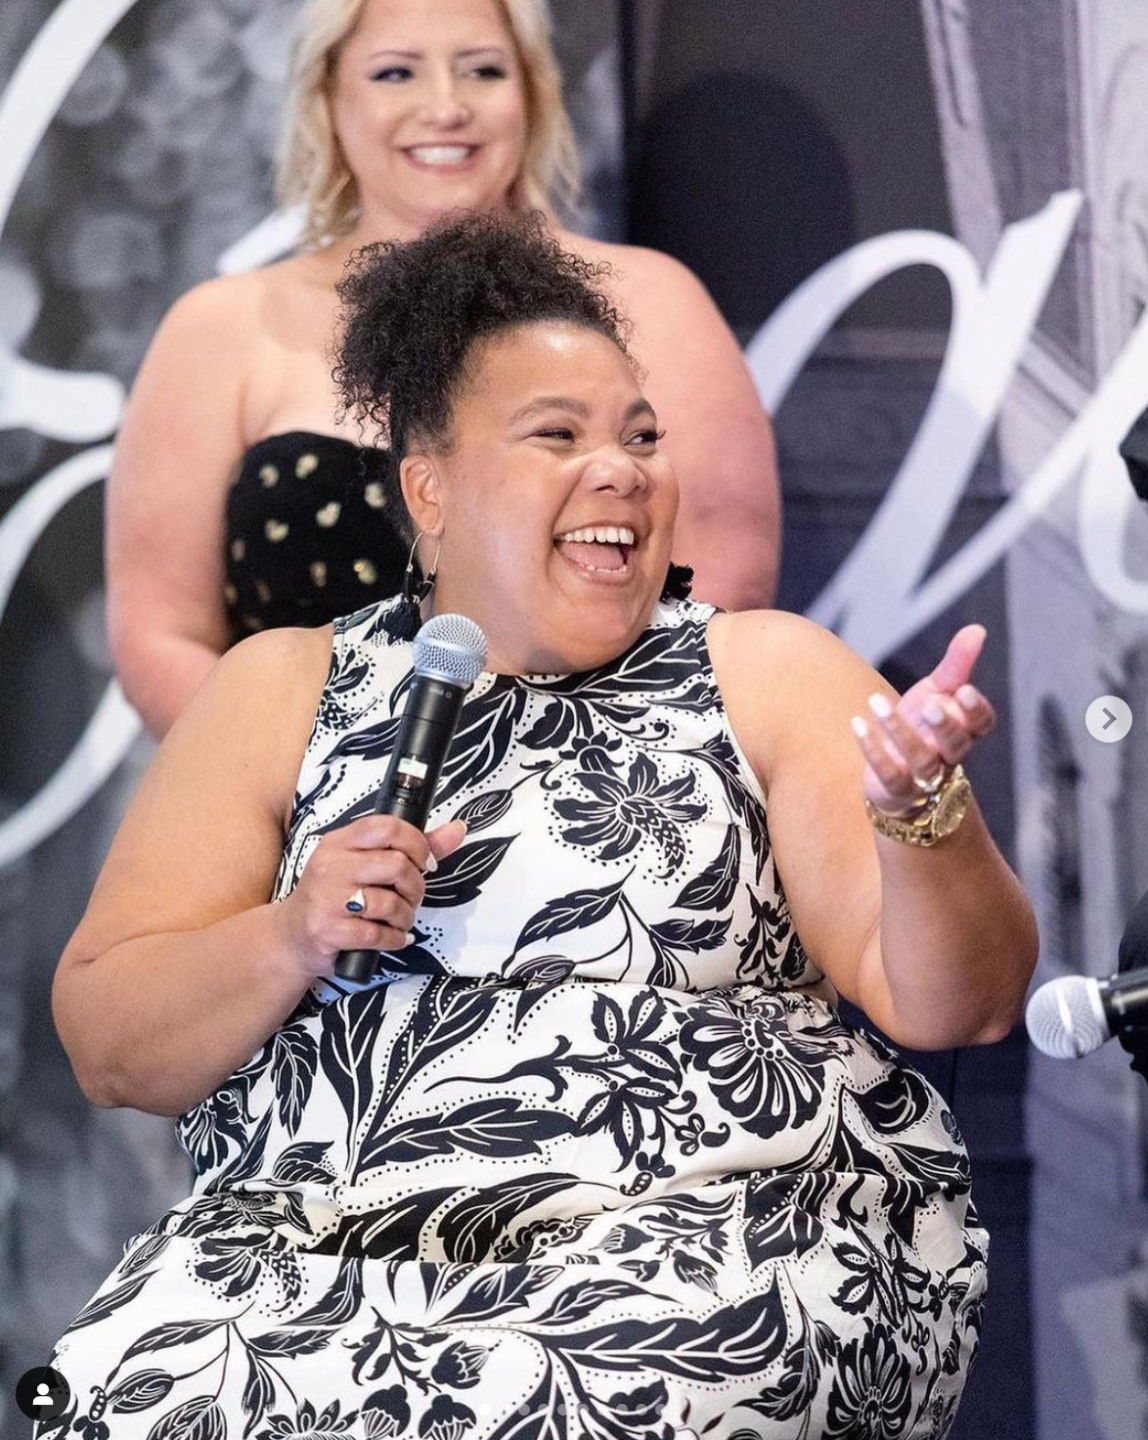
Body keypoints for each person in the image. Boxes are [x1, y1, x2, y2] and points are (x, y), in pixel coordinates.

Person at [46, 214, 1036, 1440]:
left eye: (640, 437)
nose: (620, 470)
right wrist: (289, 937)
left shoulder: (766, 672)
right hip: (308, 1262)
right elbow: (112, 1045)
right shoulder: (280, 688)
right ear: (429, 488)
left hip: (707, 1244)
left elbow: (959, 1007)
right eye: (557, 436)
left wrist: (921, 819)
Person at [107, 0, 781, 739]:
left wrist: (546, 775)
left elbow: (726, 586)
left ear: (531, 92)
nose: (445, 107)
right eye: (396, 73)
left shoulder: (652, 300)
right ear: (328, 98)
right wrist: (305, 783)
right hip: (283, 794)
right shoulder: (221, 327)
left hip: (600, 781)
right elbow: (162, 634)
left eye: (482, 71)